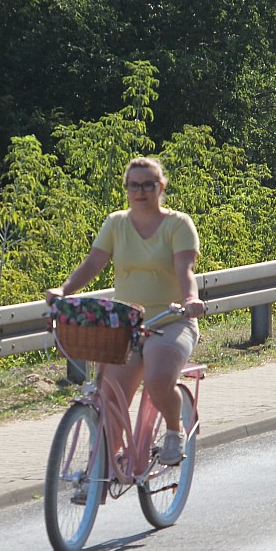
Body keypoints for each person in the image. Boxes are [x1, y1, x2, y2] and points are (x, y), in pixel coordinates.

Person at [46, 156, 205, 464]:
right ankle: (102, 471)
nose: (140, 191)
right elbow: (93, 263)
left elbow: (185, 269)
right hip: (127, 324)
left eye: (148, 185)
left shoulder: (178, 224)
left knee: (159, 380)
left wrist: (190, 300)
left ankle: (174, 431)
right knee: (110, 399)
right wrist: (63, 291)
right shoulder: (116, 223)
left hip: (171, 320)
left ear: (160, 188)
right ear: (127, 189)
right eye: (134, 185)